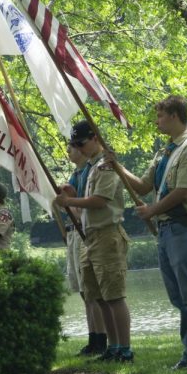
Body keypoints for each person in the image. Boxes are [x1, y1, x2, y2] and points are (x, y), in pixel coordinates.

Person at [107, 95, 187, 372]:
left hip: (183, 226)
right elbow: (142, 186)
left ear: (174, 115)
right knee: (179, 296)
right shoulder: (165, 152)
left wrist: (152, 211)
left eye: (160, 116)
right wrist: (117, 166)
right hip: (166, 229)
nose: (157, 121)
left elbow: (185, 190)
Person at [55, 121, 132, 362]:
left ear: (95, 138)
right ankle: (112, 345)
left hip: (107, 234)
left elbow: (100, 200)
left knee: (114, 295)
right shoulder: (90, 167)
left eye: (81, 143)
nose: (79, 147)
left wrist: (70, 203)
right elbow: (88, 201)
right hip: (90, 237)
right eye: (75, 144)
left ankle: (125, 348)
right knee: (97, 295)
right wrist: (74, 197)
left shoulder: (106, 166)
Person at [60, 142, 107, 356]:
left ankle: (100, 338)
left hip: (83, 230)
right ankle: (93, 336)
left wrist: (70, 201)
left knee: (91, 290)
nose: (69, 151)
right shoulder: (76, 174)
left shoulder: (90, 170)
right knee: (82, 288)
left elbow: (84, 206)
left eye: (73, 147)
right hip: (72, 232)